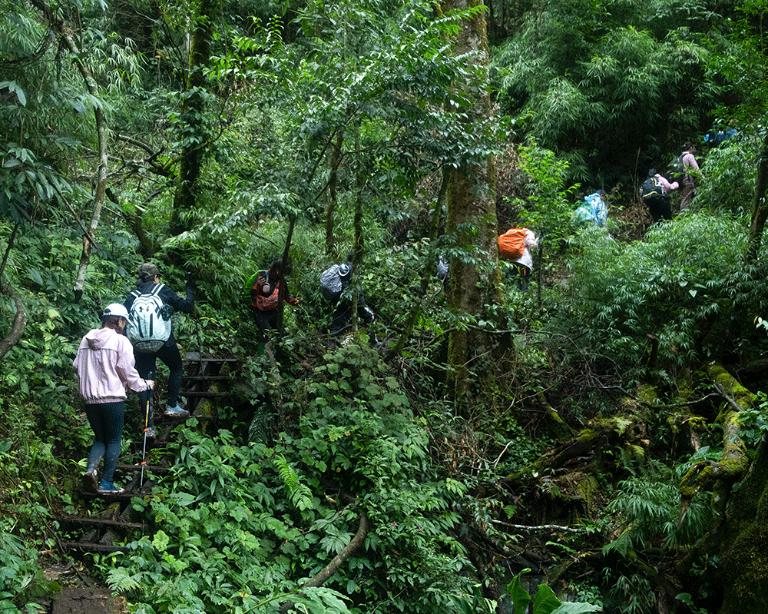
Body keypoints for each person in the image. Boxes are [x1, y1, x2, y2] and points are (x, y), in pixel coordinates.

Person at [74, 303, 154, 494]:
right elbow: (126, 370)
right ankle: (106, 483)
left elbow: (77, 366)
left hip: (90, 399)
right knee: (113, 440)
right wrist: (144, 385)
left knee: (100, 438)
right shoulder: (120, 341)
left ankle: (91, 471)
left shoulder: (86, 339)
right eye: (124, 321)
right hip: (112, 398)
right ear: (119, 321)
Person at [124, 262, 194, 434]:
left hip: (140, 346)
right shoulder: (162, 290)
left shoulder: (132, 296)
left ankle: (149, 427)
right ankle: (172, 405)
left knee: (146, 382)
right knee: (176, 367)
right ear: (155, 277)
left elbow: (124, 320)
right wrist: (190, 290)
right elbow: (187, 306)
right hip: (164, 343)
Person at [250, 259, 300, 347]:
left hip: (274, 312)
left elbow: (287, 297)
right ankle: (261, 357)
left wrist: (295, 301)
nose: (283, 275)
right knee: (266, 334)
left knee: (280, 334)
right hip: (260, 312)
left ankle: (278, 354)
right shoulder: (263, 276)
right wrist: (257, 285)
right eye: (282, 272)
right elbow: (252, 293)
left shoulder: (281, 281)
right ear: (277, 270)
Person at [320, 260, 374, 335]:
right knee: (347, 310)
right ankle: (370, 325)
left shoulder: (337, 269)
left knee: (340, 312)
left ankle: (334, 333)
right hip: (340, 294)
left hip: (332, 294)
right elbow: (360, 304)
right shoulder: (350, 277)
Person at [679, 142, 701, 211]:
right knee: (687, 198)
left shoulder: (680, 157)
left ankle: (685, 214)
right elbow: (696, 169)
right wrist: (703, 178)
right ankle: (683, 215)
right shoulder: (689, 156)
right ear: (691, 148)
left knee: (685, 197)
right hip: (687, 180)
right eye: (693, 147)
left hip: (680, 180)